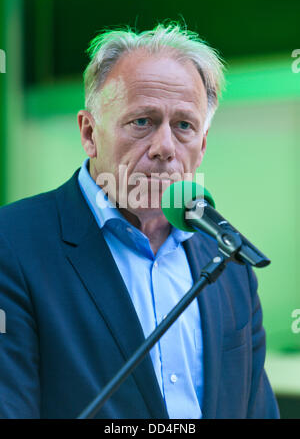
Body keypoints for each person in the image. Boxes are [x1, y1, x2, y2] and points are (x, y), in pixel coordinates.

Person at [0, 23, 279, 419]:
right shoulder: (12, 243)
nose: (165, 147)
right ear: (89, 132)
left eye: (184, 125)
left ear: (201, 148)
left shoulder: (230, 265)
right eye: (142, 122)